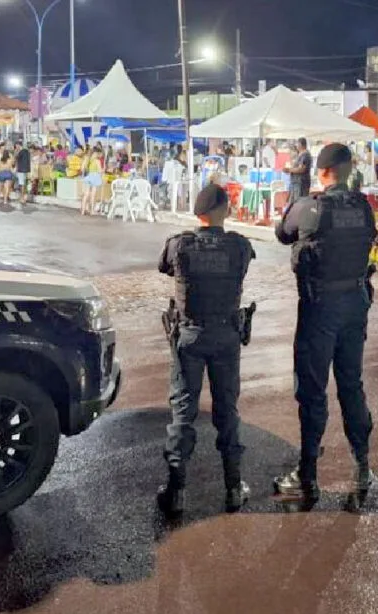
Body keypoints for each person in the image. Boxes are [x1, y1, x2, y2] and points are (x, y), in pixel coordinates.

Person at [272, 143, 376, 512]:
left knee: (313, 390)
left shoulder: (309, 207)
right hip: (355, 304)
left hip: (320, 309)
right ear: (347, 169)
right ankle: (362, 466)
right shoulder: (363, 206)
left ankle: (307, 475)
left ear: (322, 171)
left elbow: (282, 234)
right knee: (351, 384)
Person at [156, 172, 255, 518]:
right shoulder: (240, 246)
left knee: (183, 413)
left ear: (198, 213)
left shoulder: (179, 244)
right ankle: (232, 488)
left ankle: (176, 490)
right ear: (225, 211)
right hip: (226, 336)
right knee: (227, 411)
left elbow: (165, 267)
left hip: (189, 337)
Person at [285, 137, 313, 202]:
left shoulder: (305, 155)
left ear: (300, 144)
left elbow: (301, 169)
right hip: (296, 183)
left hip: (301, 183)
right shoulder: (300, 155)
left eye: (297, 144)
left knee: (298, 202)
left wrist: (289, 170)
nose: (296, 146)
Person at [81, 148, 104, 215]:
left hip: (88, 176)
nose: (99, 155)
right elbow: (99, 171)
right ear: (96, 153)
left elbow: (82, 168)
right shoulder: (97, 161)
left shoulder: (87, 159)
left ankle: (83, 210)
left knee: (86, 194)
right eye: (98, 153)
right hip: (95, 177)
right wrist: (103, 170)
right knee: (93, 195)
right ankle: (92, 211)